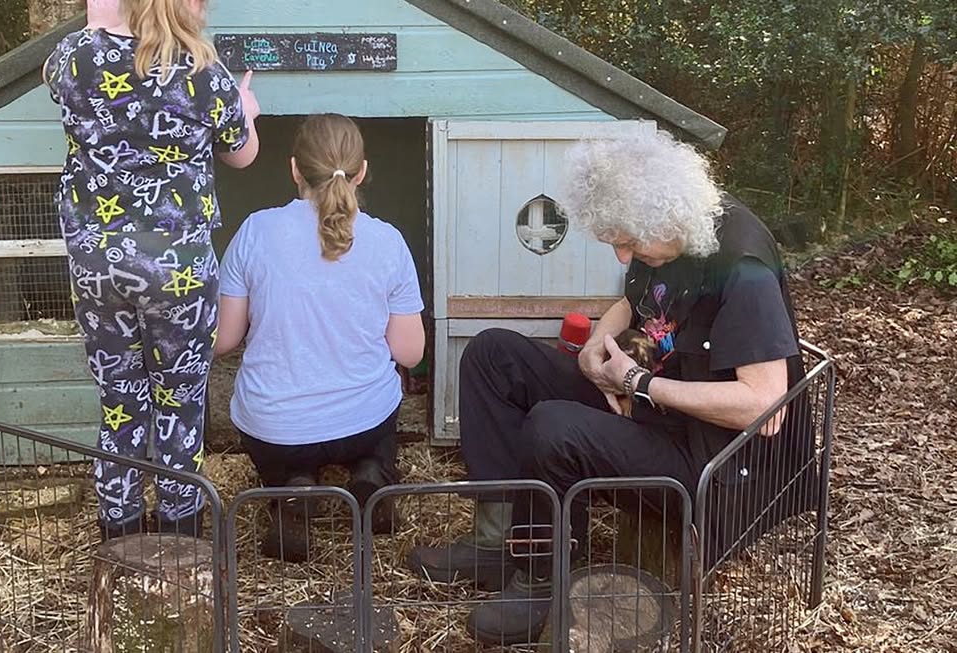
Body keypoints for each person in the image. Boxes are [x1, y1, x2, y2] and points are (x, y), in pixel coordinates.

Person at [406, 127, 808, 644]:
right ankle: (499, 540)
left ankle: (542, 578)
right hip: (654, 406)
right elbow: (633, 303)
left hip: (715, 461)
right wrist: (599, 342)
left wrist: (637, 382)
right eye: (616, 242)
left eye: (629, 243)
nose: (622, 256)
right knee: (492, 354)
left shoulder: (742, 264)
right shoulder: (665, 231)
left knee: (554, 426)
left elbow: (764, 404)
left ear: (666, 217)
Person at [42, 0, 261, 541]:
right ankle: (179, 531)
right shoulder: (204, 71)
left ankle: (117, 528)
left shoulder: (74, 56)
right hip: (177, 264)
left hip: (98, 260)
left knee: (118, 399)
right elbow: (243, 155)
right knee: (180, 399)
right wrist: (247, 109)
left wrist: (106, 26)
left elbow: (69, 76)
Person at [215, 113, 425, 562]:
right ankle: (372, 472)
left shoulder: (255, 230)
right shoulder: (388, 241)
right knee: (377, 415)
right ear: (362, 171)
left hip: (274, 428)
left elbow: (224, 339)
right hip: (364, 422)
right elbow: (410, 352)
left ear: (294, 169)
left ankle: (292, 486)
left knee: (284, 449)